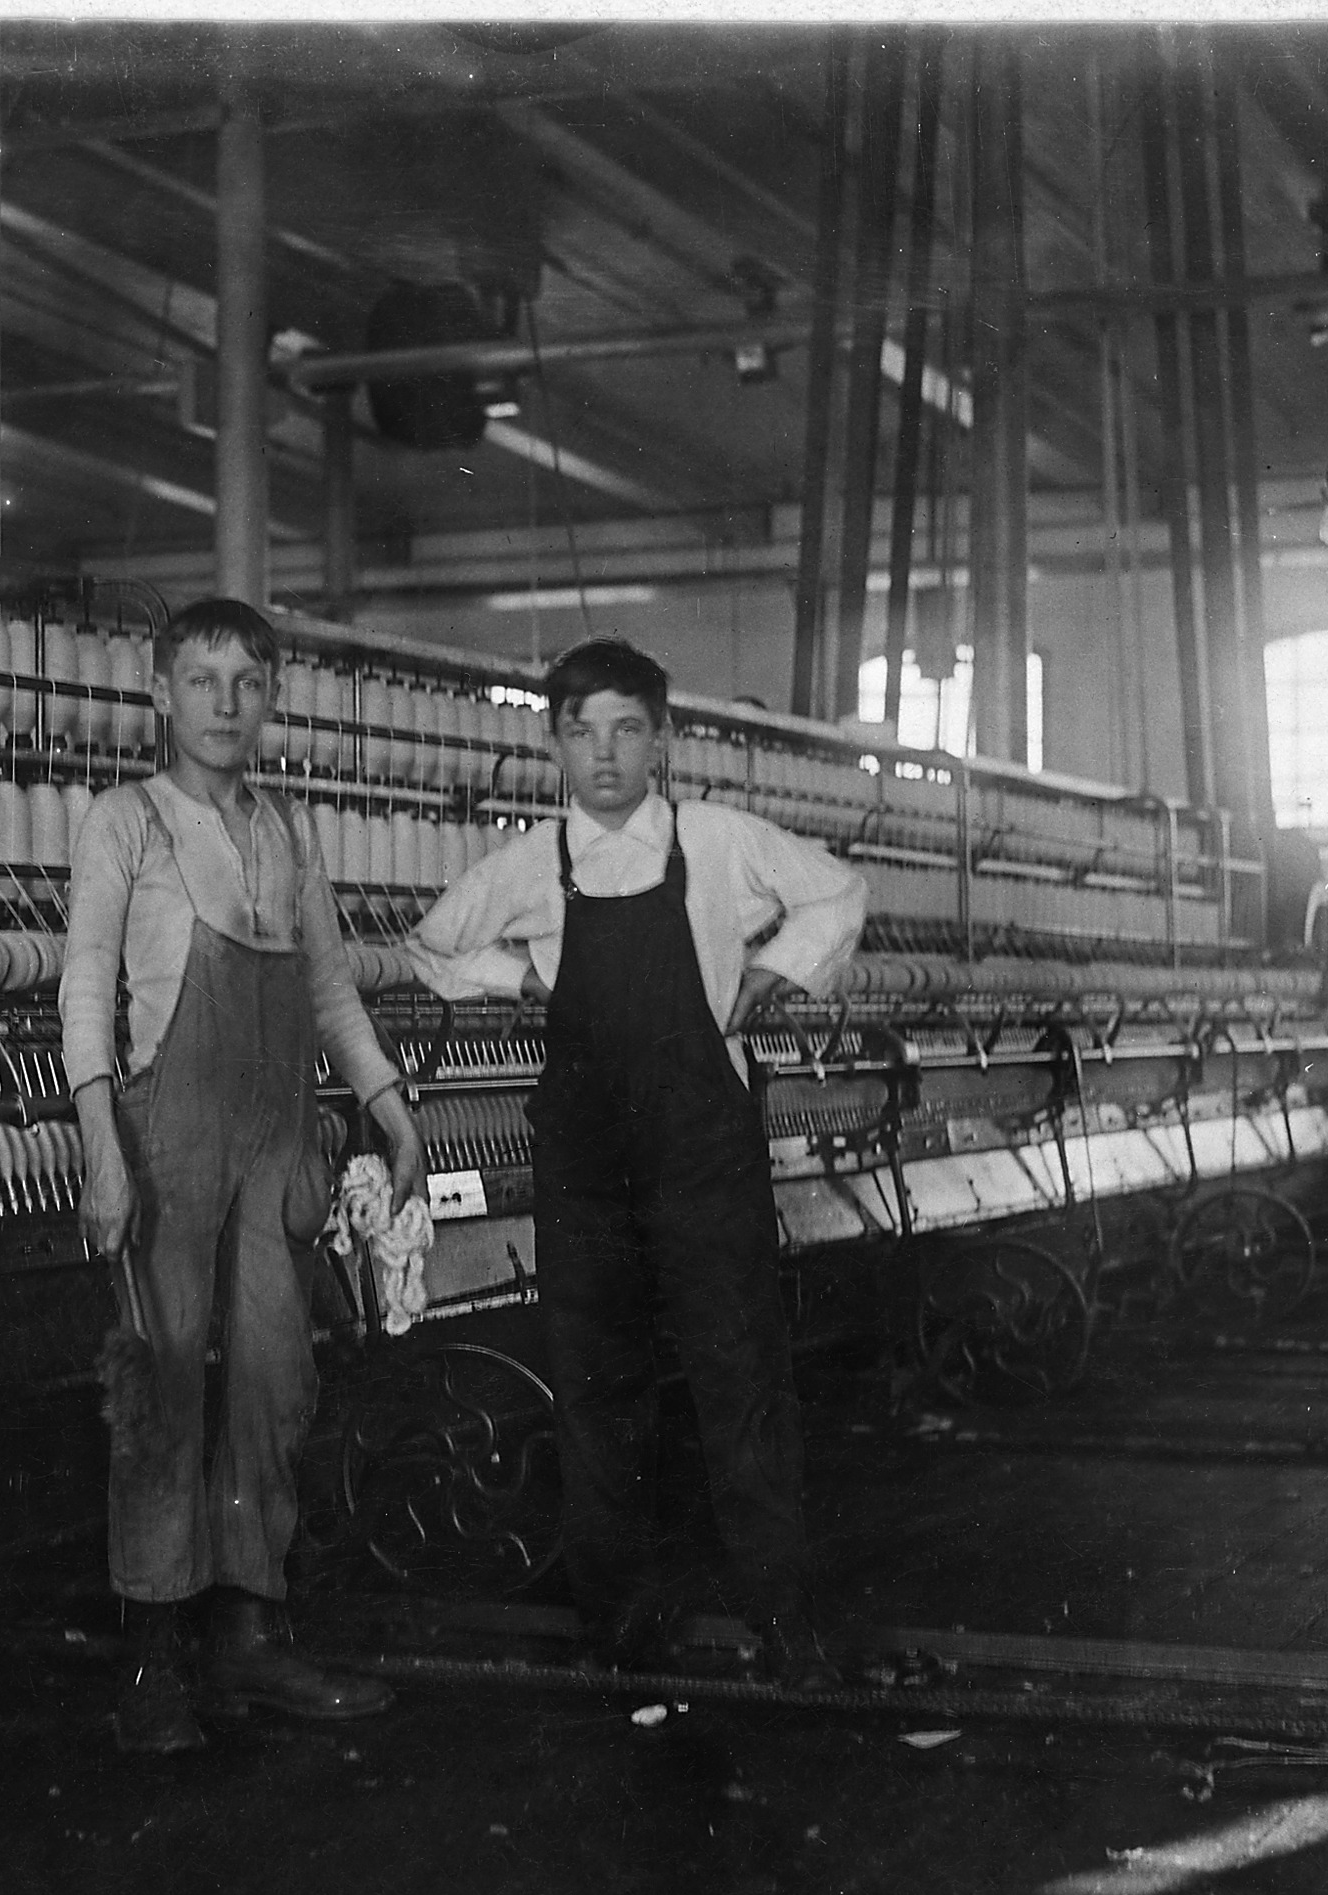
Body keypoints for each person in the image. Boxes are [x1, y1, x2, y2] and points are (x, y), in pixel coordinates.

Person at [405, 638, 867, 1680]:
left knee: (739, 1371)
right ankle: (618, 1623)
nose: (604, 754)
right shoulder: (531, 863)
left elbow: (839, 893)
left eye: (626, 730)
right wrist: (527, 983)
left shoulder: (717, 840)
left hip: (702, 1148)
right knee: (595, 1382)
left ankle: (782, 1615)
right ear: (552, 743)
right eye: (581, 732)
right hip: (587, 1157)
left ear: (663, 737)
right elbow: (432, 944)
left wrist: (773, 978)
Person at [63, 596, 428, 1754]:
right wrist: (100, 1148)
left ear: (272, 701)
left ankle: (253, 1636)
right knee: (162, 1386)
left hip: (279, 1137)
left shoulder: (287, 833)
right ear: (159, 693)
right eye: (203, 680)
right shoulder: (126, 822)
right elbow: (84, 989)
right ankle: (154, 1657)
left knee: (276, 1380)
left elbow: (327, 993)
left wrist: (389, 1107)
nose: (226, 704)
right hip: (164, 1137)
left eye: (248, 683)